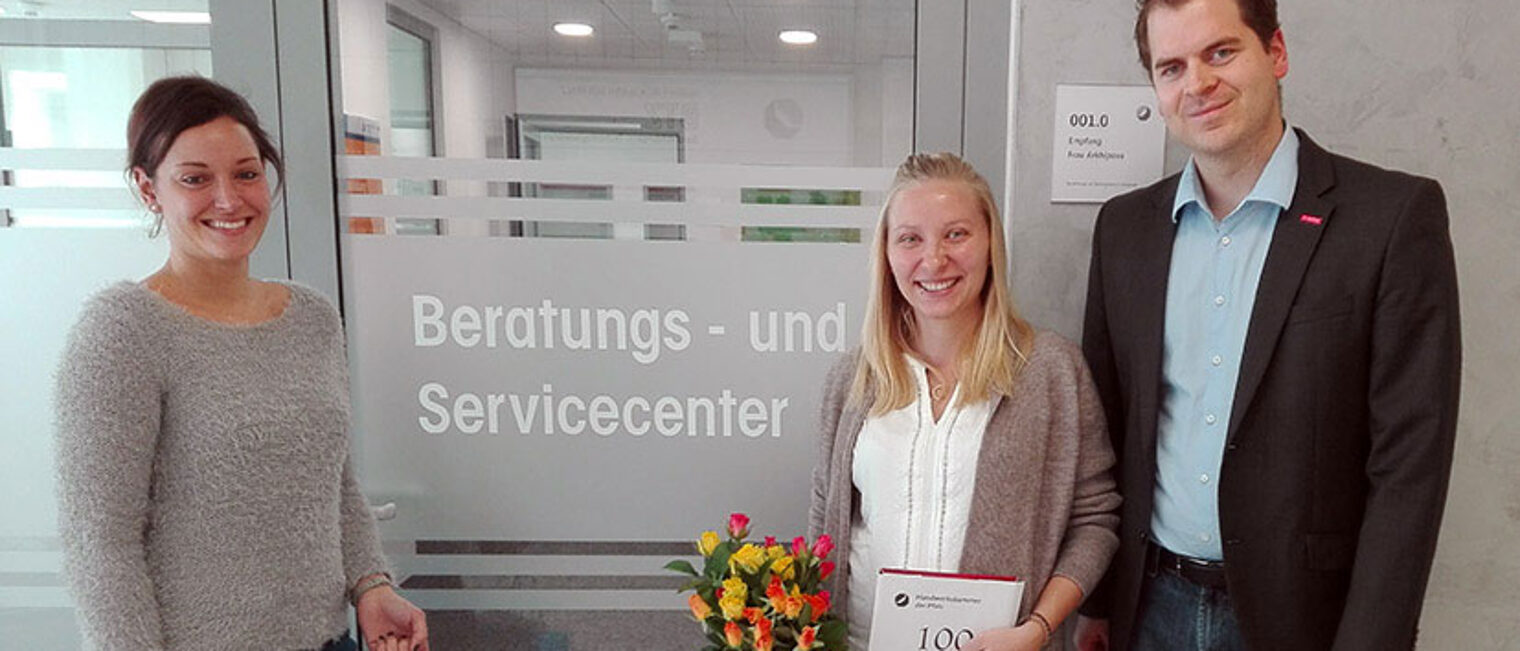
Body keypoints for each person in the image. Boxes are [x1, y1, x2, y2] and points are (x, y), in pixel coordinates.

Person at [1074, 0, 1462, 649]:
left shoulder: (1391, 220)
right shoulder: (1125, 230)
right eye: (1172, 66)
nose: (1197, 83)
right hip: (1150, 612)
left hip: (1305, 621)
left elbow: (1409, 469)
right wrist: (1102, 600)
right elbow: (1107, 430)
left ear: (1275, 52)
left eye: (1220, 52)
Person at [54, 76, 429, 651]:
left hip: (329, 642)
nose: (228, 199)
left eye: (247, 173)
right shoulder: (123, 331)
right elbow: (101, 544)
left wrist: (371, 584)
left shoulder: (310, 318)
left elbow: (334, 485)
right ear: (148, 189)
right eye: (195, 179)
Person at [809, 152, 1121, 650]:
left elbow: (1095, 521)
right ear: (887, 254)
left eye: (956, 234)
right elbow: (826, 522)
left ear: (990, 243)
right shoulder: (852, 379)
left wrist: (1037, 629)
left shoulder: (1051, 371)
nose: (934, 260)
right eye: (910, 238)